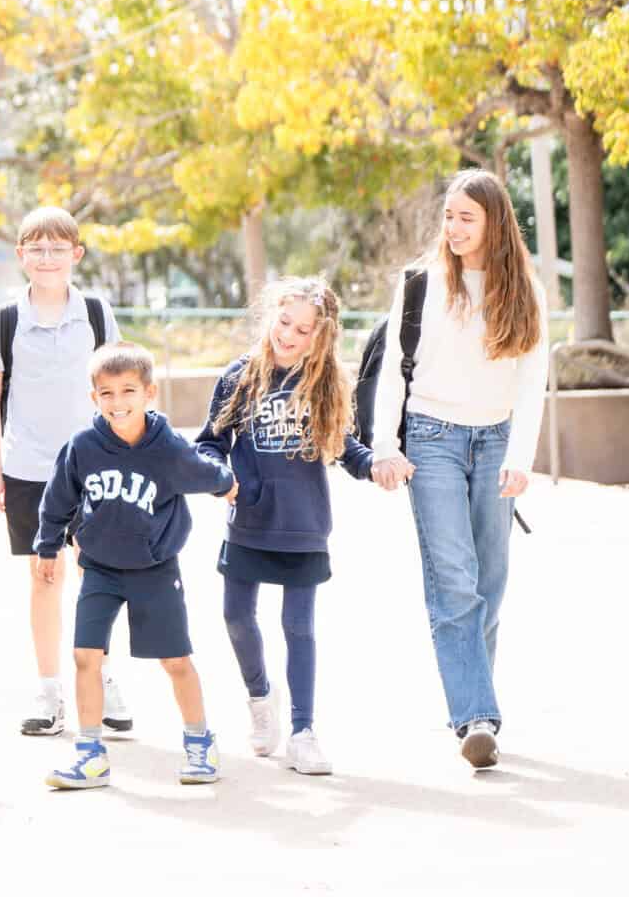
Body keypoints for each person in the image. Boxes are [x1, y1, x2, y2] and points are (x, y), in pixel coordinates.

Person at [368, 169, 548, 771]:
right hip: (431, 438)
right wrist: (383, 446)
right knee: (454, 578)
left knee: (488, 582)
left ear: (494, 222)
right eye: (449, 216)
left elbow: (531, 384)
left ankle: (476, 705)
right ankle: (476, 717)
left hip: (496, 440)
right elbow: (394, 368)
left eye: (466, 217)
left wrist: (520, 459)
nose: (454, 228)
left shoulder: (525, 289)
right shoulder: (420, 284)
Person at [196, 276, 381, 777]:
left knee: (298, 627)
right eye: (284, 322)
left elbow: (346, 447)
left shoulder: (324, 384)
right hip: (249, 519)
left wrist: (375, 467)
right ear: (270, 318)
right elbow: (208, 443)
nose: (290, 335)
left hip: (304, 524)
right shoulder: (239, 377)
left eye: (303, 329)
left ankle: (303, 731)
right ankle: (261, 698)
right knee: (236, 616)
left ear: (320, 335)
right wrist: (222, 478)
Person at [36, 343, 236, 790]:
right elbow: (58, 500)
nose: (117, 401)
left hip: (155, 570)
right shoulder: (83, 447)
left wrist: (227, 483)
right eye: (106, 393)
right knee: (85, 656)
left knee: (175, 660)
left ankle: (200, 742)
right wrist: (48, 546)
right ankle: (91, 755)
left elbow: (203, 472)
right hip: (101, 568)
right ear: (94, 398)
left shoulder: (165, 449)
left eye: (128, 390)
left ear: (150, 393)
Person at [0, 205, 131, 739]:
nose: (47, 257)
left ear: (76, 255)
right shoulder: (5, 320)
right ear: (21, 257)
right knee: (46, 577)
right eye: (36, 248)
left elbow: (118, 386)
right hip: (27, 470)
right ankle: (48, 692)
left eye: (57, 248)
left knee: (98, 573)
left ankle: (103, 678)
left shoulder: (95, 312)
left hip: (94, 467)